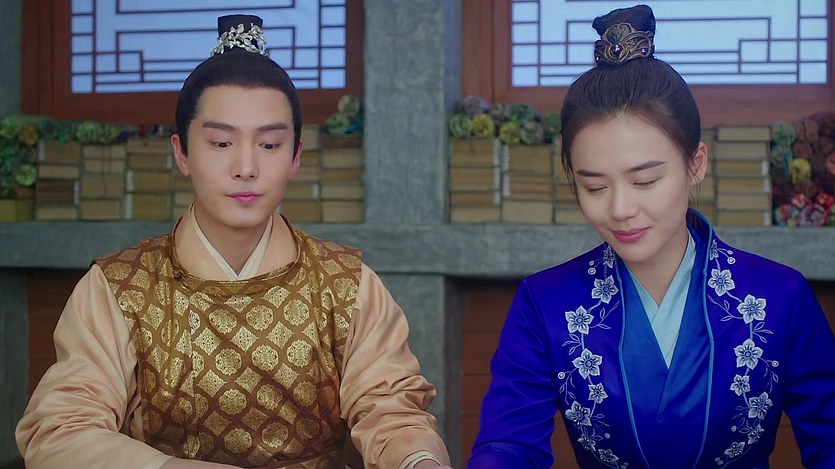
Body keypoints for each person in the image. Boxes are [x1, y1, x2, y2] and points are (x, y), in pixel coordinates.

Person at [16, 14, 452, 469]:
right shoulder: (119, 288)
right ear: (182, 152)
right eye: (221, 144)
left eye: (269, 145)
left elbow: (391, 412)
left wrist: (417, 460)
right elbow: (62, 431)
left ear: (295, 157)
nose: (246, 168)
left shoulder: (346, 285)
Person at [468, 4, 835, 469]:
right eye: (594, 187)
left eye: (645, 181)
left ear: (695, 164)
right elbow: (509, 446)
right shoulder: (545, 304)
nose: (620, 209)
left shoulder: (781, 298)